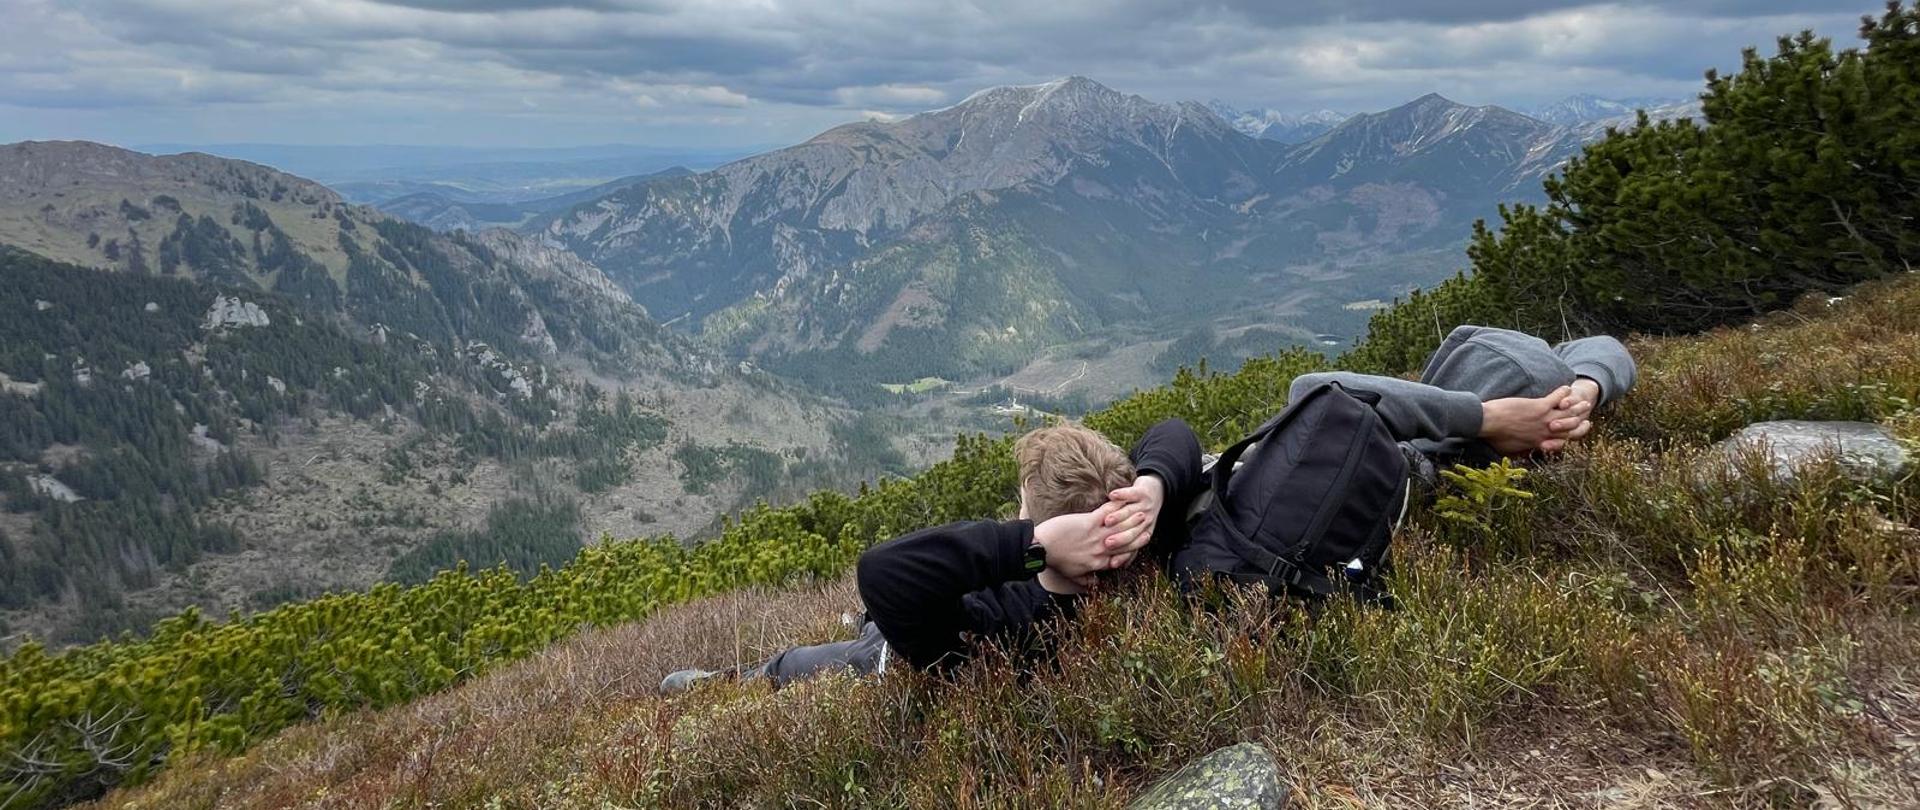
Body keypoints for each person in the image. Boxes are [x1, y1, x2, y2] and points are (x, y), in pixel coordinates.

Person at [660, 419, 1197, 691]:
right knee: (867, 623)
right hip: (923, 611)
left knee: (791, 665)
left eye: (1023, 508)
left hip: (890, 655)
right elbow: (1173, 433)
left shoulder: (999, 626)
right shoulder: (1143, 543)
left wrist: (1030, 548)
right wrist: (1152, 489)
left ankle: (717, 688)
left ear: (1047, 529)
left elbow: (883, 569)